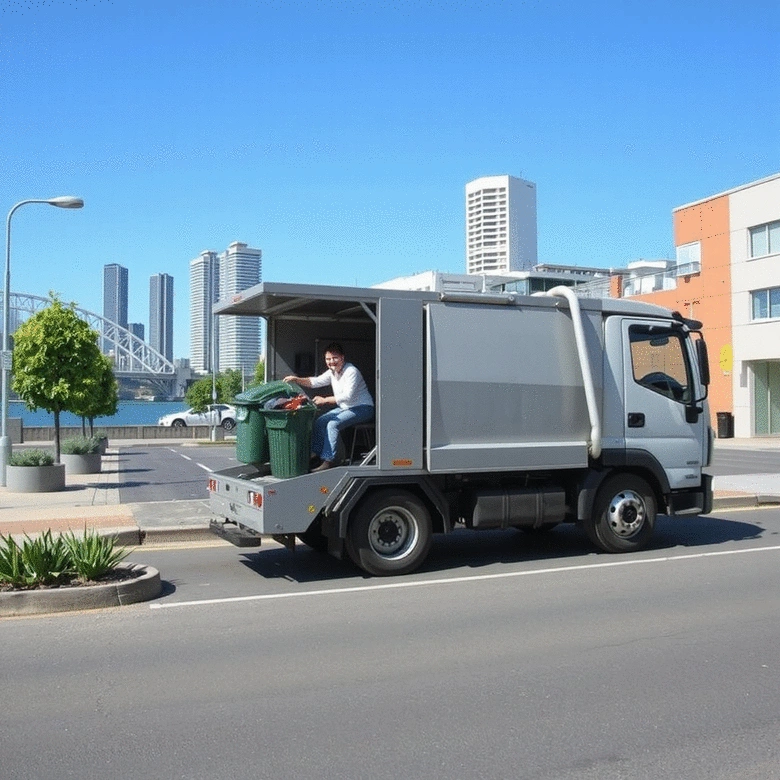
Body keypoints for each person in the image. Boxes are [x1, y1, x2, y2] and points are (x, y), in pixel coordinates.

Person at [284, 343, 374, 471]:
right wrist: (296, 379)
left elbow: (347, 396)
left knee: (332, 424)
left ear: (342, 358)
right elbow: (315, 382)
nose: (331, 362)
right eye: (328, 359)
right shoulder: (332, 372)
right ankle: (315, 455)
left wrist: (325, 400)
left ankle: (329, 461)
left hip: (363, 408)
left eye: (335, 358)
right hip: (346, 408)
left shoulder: (351, 371)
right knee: (320, 421)